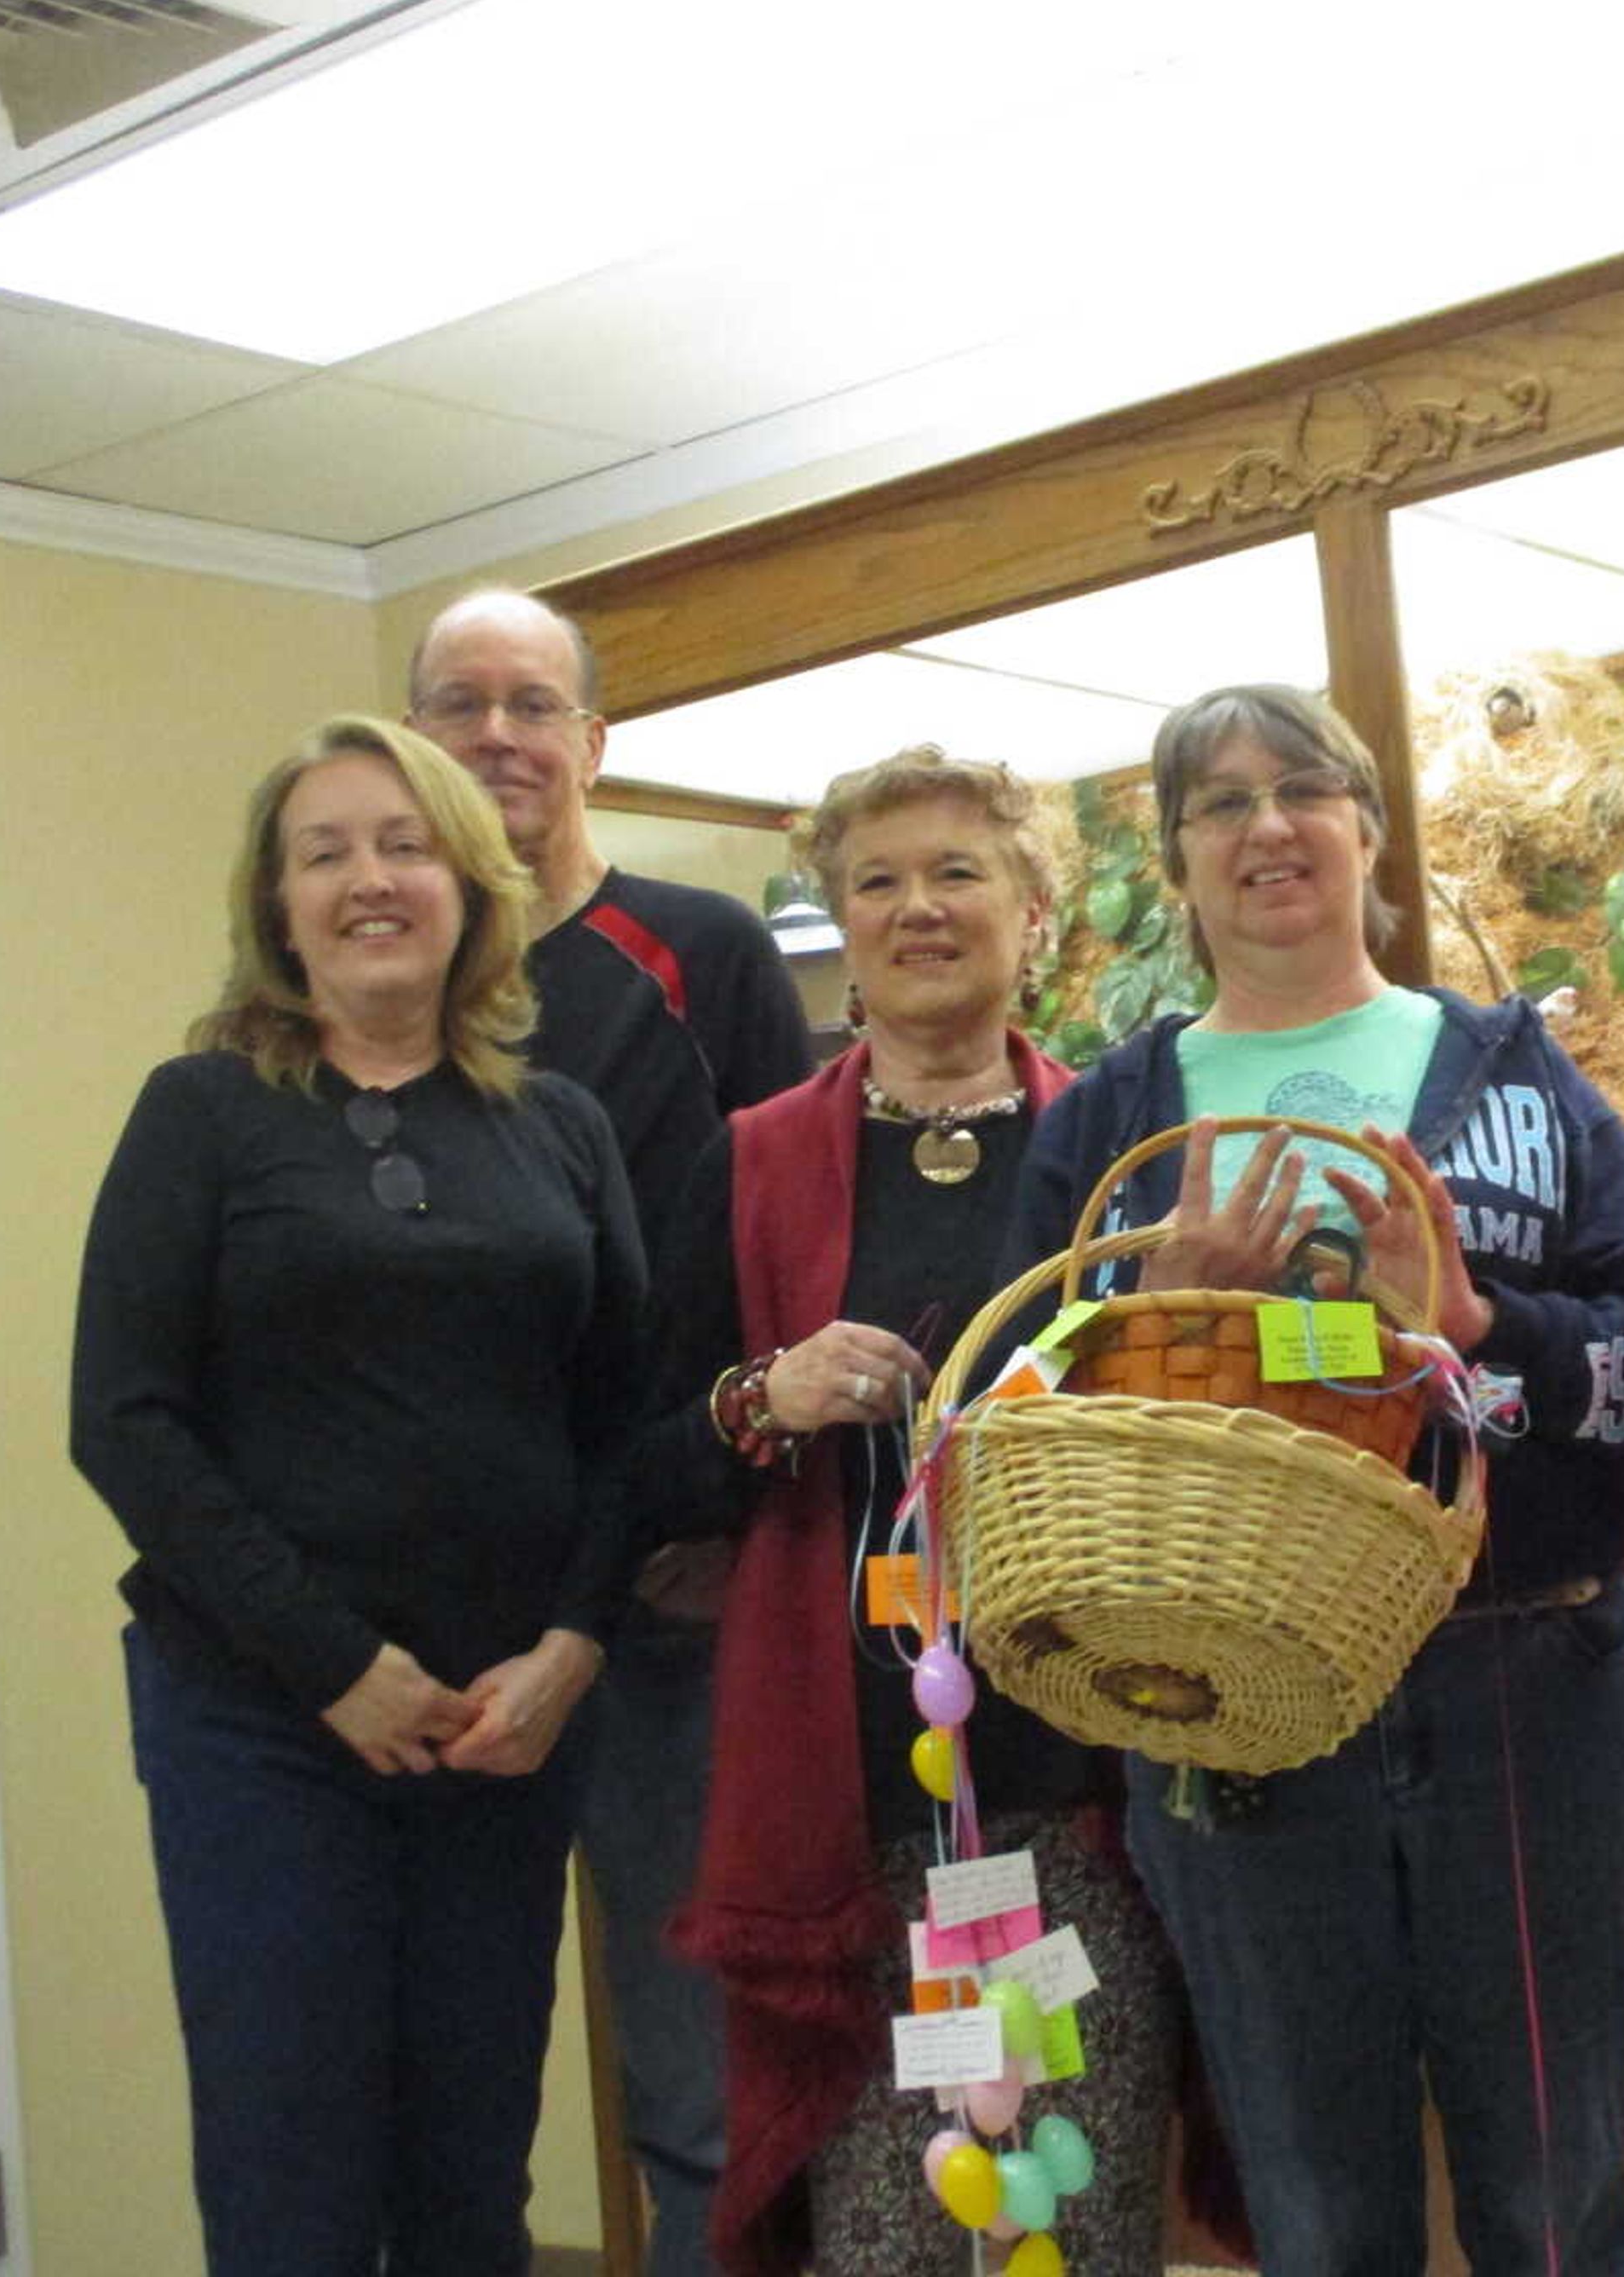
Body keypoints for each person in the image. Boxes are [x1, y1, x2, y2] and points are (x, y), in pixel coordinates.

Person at [1006, 683, 1624, 2277]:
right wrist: (1147, 1313)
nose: (1265, 827)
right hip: (1232, 1715)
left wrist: (1475, 1325)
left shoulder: (1519, 1080)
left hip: (1523, 1686)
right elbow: (1018, 1418)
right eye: (1219, 804)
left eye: (1301, 788)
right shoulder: (1105, 1122)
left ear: (1370, 831)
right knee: (1314, 2206)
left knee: (1552, 2197)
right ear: (1175, 860)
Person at [71, 716, 646, 2275]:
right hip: (265, 1723)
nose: (367, 880)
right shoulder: (201, 1114)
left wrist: (574, 1649)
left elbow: (625, 1424)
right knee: (292, 2170)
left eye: (403, 845)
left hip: (507, 1722)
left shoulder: (563, 1131)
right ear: (278, 906)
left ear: (469, 884)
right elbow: (124, 1424)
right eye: (323, 852)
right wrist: (334, 1667)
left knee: (471, 2172)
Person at [652, 747, 1181, 2274]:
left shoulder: (1121, 1155)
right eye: (876, 881)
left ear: (1036, 911)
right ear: (839, 921)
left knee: (1078, 2227)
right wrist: (767, 1396)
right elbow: (643, 1468)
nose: (918, 909)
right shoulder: (751, 1166)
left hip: (1093, 1792)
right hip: (850, 1819)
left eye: (958, 873)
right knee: (890, 2239)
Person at [407, 587, 811, 2277]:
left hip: (669, 1605)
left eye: (531, 702)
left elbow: (797, 1239)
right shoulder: (379, 980)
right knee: (446, 2076)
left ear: (593, 741)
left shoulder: (698, 953)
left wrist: (733, 1513)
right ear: (415, 736)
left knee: (703, 2082)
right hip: (445, 1623)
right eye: (459, 702)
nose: (497, 732)